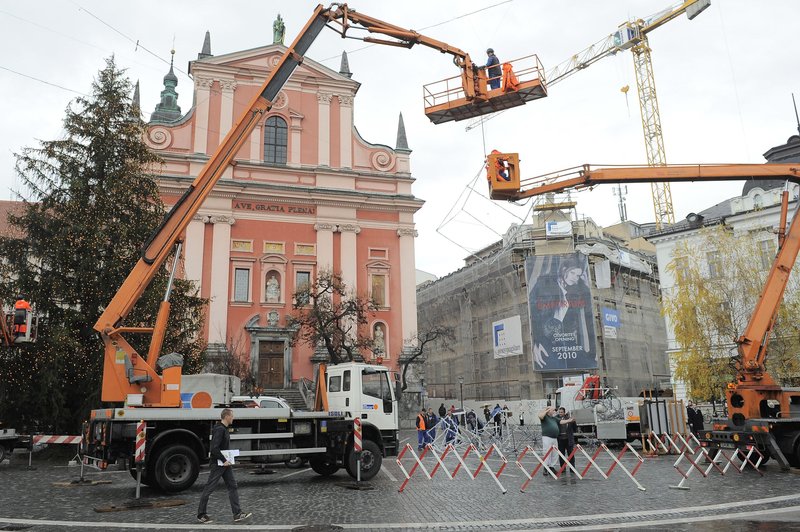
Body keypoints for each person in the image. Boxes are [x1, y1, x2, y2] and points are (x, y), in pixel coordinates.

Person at [530, 255, 596, 371]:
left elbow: (589, 311)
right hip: (546, 339)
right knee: (553, 367)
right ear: (564, 269)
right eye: (572, 273)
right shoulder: (545, 283)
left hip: (566, 340)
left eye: (578, 275)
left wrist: (586, 286)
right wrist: (536, 342)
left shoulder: (573, 290)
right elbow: (532, 313)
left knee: (590, 364)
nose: (575, 278)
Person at [197, 409, 252, 524]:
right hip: (218, 463)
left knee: (233, 486)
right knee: (209, 487)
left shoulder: (223, 429)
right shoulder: (220, 429)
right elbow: (214, 449)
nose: (233, 418)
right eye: (232, 416)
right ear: (226, 416)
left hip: (224, 463)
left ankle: (237, 514)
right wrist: (224, 459)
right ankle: (201, 514)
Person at [538, 406, 561, 474]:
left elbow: (561, 421)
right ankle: (546, 467)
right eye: (553, 410)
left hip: (554, 437)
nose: (554, 412)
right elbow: (540, 416)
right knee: (547, 452)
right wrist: (546, 410)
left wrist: (569, 420)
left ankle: (552, 466)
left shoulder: (553, 418)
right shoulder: (545, 417)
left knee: (555, 453)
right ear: (549, 411)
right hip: (547, 437)